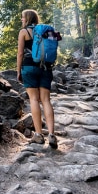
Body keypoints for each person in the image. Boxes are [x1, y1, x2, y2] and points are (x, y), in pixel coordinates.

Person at [16, 9, 58, 148]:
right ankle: (52, 135)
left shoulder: (24, 32)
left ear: (27, 18)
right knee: (46, 100)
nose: (21, 20)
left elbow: (20, 53)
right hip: (46, 67)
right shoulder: (45, 32)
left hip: (29, 67)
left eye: (23, 17)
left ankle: (39, 135)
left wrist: (18, 71)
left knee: (34, 99)